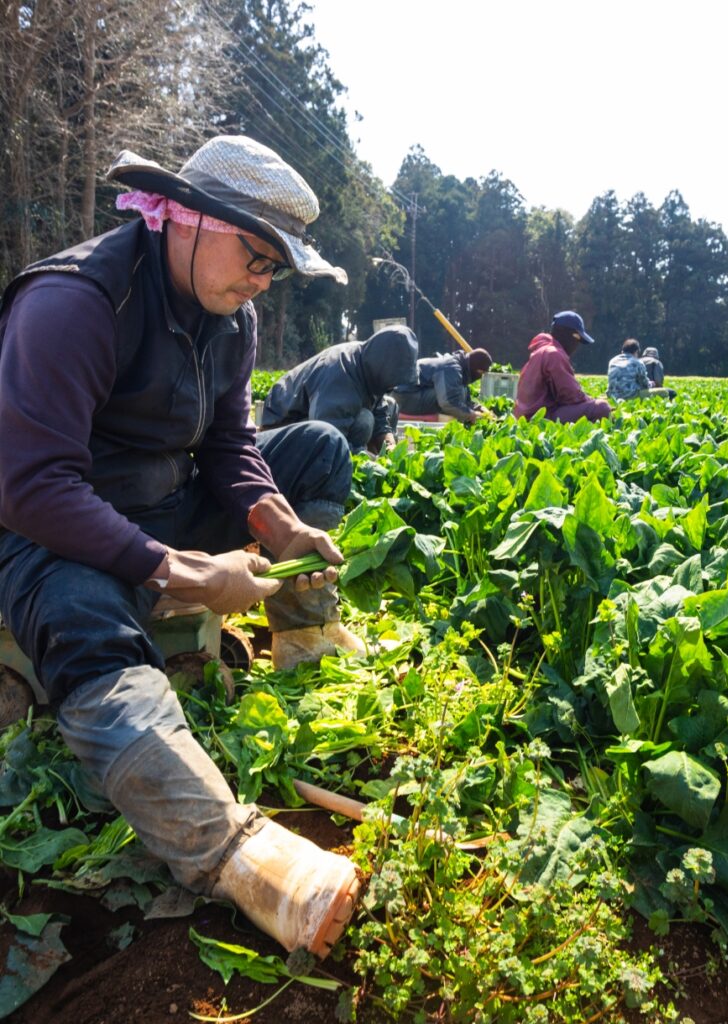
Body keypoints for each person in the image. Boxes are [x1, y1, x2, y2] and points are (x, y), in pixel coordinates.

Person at [0, 135, 363, 960]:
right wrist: (185, 571)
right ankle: (234, 854)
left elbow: (231, 444)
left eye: (276, 267)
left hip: (161, 504)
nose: (261, 280)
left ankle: (303, 636)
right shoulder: (76, 302)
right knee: (81, 618)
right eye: (255, 256)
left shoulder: (232, 319)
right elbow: (32, 488)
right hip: (56, 529)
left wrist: (275, 521)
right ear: (188, 217)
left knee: (314, 450)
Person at [260, 326, 419, 454]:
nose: (392, 386)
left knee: (390, 405)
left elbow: (380, 412)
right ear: (382, 367)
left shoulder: (370, 363)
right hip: (280, 429)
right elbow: (327, 435)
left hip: (316, 420)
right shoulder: (340, 374)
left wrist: (390, 445)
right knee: (365, 421)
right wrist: (367, 460)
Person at [513, 311, 611, 423]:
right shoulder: (554, 354)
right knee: (601, 408)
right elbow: (570, 395)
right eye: (578, 339)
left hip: (526, 416)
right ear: (569, 335)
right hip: (540, 418)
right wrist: (593, 401)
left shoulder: (540, 350)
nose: (577, 345)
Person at [390, 347, 493, 424]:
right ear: (476, 368)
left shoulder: (461, 367)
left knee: (460, 392)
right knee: (454, 396)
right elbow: (447, 402)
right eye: (481, 373)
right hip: (404, 397)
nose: (480, 377)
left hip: (414, 393)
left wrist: (482, 410)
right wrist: (472, 415)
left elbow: (466, 401)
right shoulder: (452, 368)